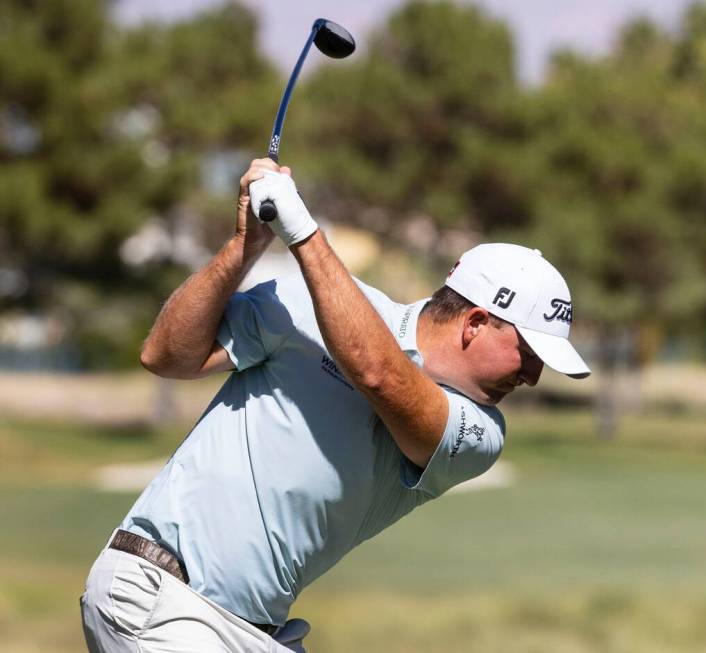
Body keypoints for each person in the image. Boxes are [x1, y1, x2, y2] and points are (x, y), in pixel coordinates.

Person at [80, 159, 590, 653]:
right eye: (527, 352)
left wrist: (301, 230)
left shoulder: (481, 433)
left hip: (255, 632)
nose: (533, 376)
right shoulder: (308, 302)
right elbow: (165, 355)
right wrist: (244, 246)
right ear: (476, 322)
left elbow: (379, 375)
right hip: (161, 596)